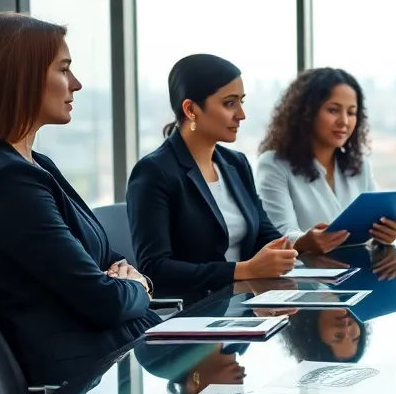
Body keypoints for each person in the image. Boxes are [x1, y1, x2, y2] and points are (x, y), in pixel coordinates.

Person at [0, 14, 157, 387]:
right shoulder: (6, 182)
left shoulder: (30, 165)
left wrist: (125, 280)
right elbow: (104, 302)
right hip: (90, 377)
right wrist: (140, 287)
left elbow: (108, 259)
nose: (76, 84)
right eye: (64, 70)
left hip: (114, 354)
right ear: (21, 79)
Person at [128, 55, 314, 304]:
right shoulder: (154, 172)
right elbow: (155, 270)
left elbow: (264, 233)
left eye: (241, 102)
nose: (241, 114)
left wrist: (299, 245)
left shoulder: (236, 164)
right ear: (191, 109)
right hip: (195, 313)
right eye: (229, 104)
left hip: (248, 306)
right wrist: (245, 270)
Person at [256, 67, 396, 249]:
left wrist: (385, 232)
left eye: (351, 113)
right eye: (333, 110)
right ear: (306, 113)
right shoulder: (274, 164)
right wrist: (305, 242)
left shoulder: (360, 166)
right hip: (302, 274)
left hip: (357, 270)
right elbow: (278, 234)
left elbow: (374, 223)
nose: (344, 121)